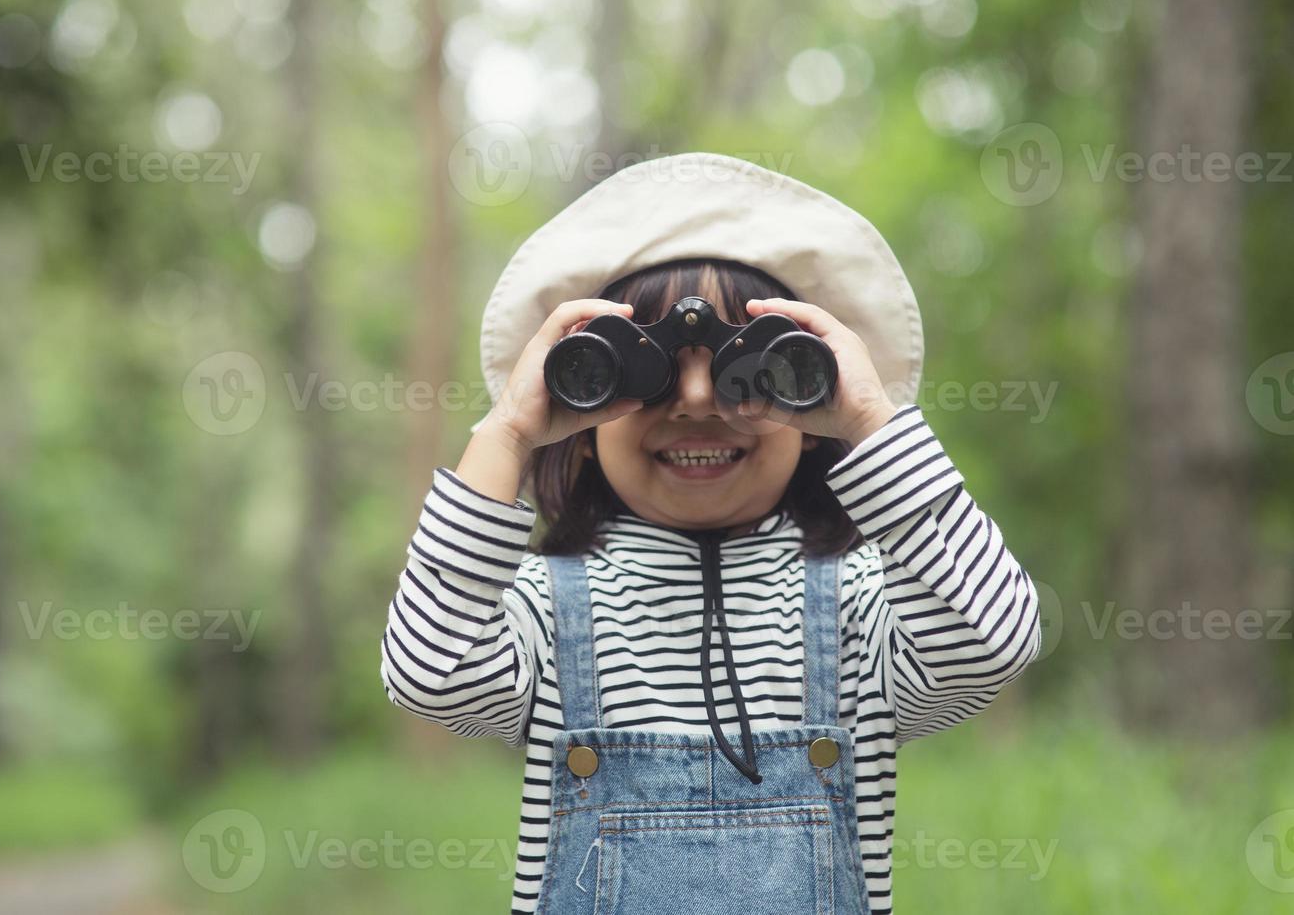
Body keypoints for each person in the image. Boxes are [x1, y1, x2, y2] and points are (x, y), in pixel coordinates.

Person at [379, 152, 1042, 915]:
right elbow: (429, 674)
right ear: (584, 421)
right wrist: (507, 433)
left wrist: (870, 420)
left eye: (746, 374)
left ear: (810, 416)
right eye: (649, 375)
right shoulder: (541, 612)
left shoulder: (862, 606)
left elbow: (992, 642)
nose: (696, 401)